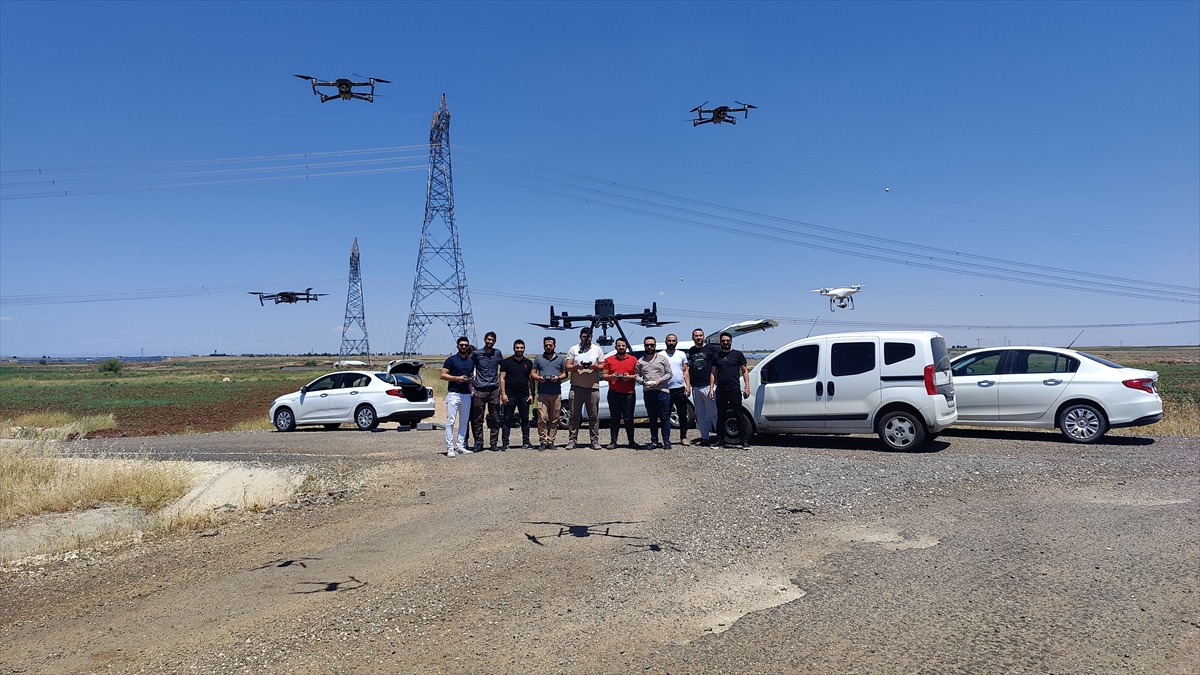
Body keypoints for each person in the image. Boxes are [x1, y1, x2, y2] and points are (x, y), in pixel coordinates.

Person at [709, 331, 751, 449]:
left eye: (727, 340)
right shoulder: (717, 356)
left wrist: (747, 387)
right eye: (723, 341)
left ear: (731, 341)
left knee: (739, 415)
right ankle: (720, 441)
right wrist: (711, 389)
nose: (725, 342)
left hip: (734, 390)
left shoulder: (738, 355)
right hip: (721, 390)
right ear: (721, 342)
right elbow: (713, 373)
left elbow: (745, 371)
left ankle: (744, 441)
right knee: (721, 416)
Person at [565, 327, 606, 450]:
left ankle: (594, 440)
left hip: (593, 388)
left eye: (588, 336)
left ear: (591, 337)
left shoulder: (597, 349)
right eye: (584, 336)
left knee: (593, 416)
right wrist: (577, 366)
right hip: (576, 387)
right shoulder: (574, 349)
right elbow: (568, 367)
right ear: (580, 337)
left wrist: (594, 366)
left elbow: (603, 366)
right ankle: (572, 440)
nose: (586, 338)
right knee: (574, 415)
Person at [636, 335, 673, 449]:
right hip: (648, 392)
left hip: (662, 391)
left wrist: (659, 381)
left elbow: (669, 374)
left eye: (651, 344)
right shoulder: (640, 361)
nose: (649, 346)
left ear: (655, 346)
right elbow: (636, 375)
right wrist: (643, 382)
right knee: (652, 418)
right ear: (644, 346)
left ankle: (666, 441)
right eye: (647, 345)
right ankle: (654, 441)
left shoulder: (662, 359)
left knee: (665, 417)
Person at [440, 336, 475, 457]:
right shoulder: (451, 360)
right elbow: (443, 375)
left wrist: (471, 380)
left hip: (466, 394)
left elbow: (471, 375)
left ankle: (460, 446)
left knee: (464, 422)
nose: (464, 347)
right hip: (454, 393)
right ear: (457, 346)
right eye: (461, 345)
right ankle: (450, 447)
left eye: (466, 345)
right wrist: (456, 378)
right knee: (451, 421)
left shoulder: (470, 361)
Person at [469, 331, 504, 451]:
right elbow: (470, 367)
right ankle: (479, 443)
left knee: (495, 417)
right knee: (478, 418)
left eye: (492, 340)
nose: (490, 342)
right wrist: (471, 380)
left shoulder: (497, 353)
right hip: (480, 389)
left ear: (495, 341)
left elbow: (503, 368)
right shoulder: (477, 354)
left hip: (494, 389)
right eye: (488, 339)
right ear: (484, 340)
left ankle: (493, 443)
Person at [602, 337, 639, 449]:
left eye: (623, 345)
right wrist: (612, 377)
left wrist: (630, 377)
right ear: (616, 347)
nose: (621, 347)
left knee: (629, 418)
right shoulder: (609, 360)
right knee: (614, 417)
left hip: (629, 393)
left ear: (626, 347)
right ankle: (613, 441)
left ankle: (631, 441)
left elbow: (638, 376)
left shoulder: (633, 360)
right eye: (619, 346)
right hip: (614, 393)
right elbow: (604, 375)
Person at [686, 328, 721, 446]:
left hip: (708, 385)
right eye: (696, 335)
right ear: (693, 338)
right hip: (696, 386)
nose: (698, 337)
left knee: (714, 412)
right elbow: (690, 367)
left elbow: (716, 365)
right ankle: (704, 437)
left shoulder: (710, 349)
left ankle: (720, 437)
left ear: (703, 336)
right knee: (700, 414)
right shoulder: (691, 351)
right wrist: (689, 384)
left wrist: (714, 383)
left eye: (700, 335)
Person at [531, 336, 567, 451]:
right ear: (543, 346)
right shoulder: (538, 359)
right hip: (542, 393)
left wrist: (558, 377)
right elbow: (533, 373)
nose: (548, 347)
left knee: (554, 418)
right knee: (542, 418)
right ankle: (542, 440)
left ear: (554, 346)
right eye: (546, 345)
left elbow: (565, 374)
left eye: (550, 345)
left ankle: (551, 441)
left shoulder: (560, 359)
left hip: (556, 393)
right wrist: (539, 378)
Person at [499, 339, 534, 450]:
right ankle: (505, 443)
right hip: (510, 396)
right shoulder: (506, 362)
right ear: (514, 348)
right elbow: (502, 378)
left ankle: (526, 442)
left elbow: (531, 380)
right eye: (517, 348)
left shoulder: (528, 363)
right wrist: (503, 394)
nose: (519, 350)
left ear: (524, 349)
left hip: (524, 396)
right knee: (507, 419)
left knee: (525, 419)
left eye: (521, 348)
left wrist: (532, 394)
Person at [662, 333, 692, 446]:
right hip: (666, 390)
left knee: (682, 414)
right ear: (666, 342)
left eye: (673, 341)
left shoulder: (681, 354)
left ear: (676, 342)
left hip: (680, 388)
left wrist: (687, 386)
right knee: (665, 415)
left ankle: (683, 437)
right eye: (669, 341)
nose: (671, 343)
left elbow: (685, 371)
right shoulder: (661, 355)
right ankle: (666, 439)